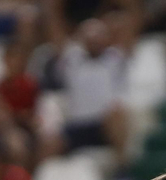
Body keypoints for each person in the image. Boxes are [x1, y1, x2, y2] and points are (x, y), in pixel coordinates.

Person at [54, 18, 127, 161]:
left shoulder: (115, 58)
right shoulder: (71, 60)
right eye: (89, 34)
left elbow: (129, 29)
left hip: (103, 126)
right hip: (77, 124)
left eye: (99, 34)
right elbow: (56, 35)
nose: (94, 38)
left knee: (117, 114)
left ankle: (123, 169)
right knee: (50, 140)